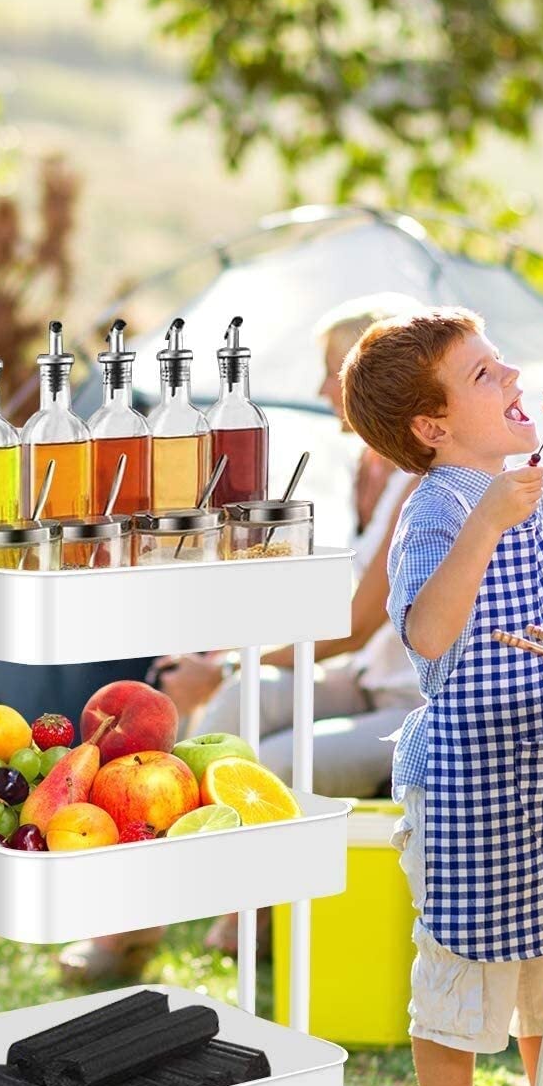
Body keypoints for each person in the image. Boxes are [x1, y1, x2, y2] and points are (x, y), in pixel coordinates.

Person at [342, 306, 543, 1086]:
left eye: (504, 367)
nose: (511, 384)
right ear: (432, 429)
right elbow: (426, 631)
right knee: (458, 981)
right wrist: (484, 528)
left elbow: (542, 622)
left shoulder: (524, 486)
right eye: (484, 377)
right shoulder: (436, 510)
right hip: (469, 780)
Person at [58, 293, 424, 981]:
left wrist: (223, 662)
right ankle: (171, 919)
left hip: (412, 707)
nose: (321, 390)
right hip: (365, 685)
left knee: (258, 764)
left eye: (334, 371)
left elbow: (353, 625)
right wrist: (231, 665)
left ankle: (173, 921)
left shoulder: (418, 479)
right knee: (222, 723)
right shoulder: (367, 468)